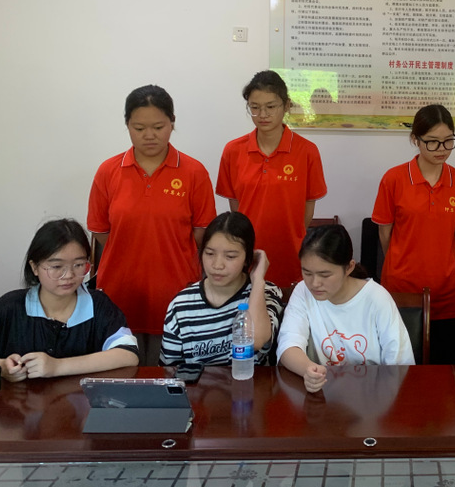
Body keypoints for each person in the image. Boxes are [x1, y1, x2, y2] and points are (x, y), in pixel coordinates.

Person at [87, 85, 216, 364]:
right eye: (139, 128)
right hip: (120, 294)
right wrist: (133, 249)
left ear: (172, 123)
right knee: (120, 377)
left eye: (158, 127)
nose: (149, 135)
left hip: (176, 296)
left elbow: (201, 234)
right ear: (127, 125)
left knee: (171, 379)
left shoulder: (194, 172)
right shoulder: (108, 171)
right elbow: (100, 231)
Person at [0, 219, 139, 380]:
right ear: (35, 267)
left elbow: (128, 354)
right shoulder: (11, 307)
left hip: (83, 411)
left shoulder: (98, 305)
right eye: (56, 267)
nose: (69, 275)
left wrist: (58, 366)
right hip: (19, 412)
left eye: (79, 265)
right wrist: (0, 366)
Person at [371, 104, 455, 365]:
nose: (442, 149)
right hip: (401, 288)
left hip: (445, 290)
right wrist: (403, 259)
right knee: (400, 366)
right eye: (432, 142)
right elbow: (385, 234)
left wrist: (439, 257)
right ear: (415, 139)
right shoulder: (394, 179)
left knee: (444, 369)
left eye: (448, 141)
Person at [217, 71, 327, 287]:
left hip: (291, 255)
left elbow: (307, 208)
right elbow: (236, 208)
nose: (262, 114)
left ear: (286, 105)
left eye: (270, 106)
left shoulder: (307, 151)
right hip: (246, 255)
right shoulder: (233, 151)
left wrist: (293, 236)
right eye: (255, 107)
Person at [278, 225, 415, 393]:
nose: (314, 283)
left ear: (349, 267)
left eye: (325, 275)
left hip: (373, 397)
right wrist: (308, 370)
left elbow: (400, 362)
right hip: (324, 396)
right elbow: (288, 344)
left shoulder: (377, 298)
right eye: (307, 273)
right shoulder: (303, 291)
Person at [161, 212, 283, 366]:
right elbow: (169, 370)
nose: (217, 265)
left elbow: (255, 341)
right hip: (197, 382)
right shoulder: (181, 304)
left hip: (249, 381)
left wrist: (258, 280)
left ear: (247, 259)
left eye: (230, 256)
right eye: (209, 253)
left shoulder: (265, 293)